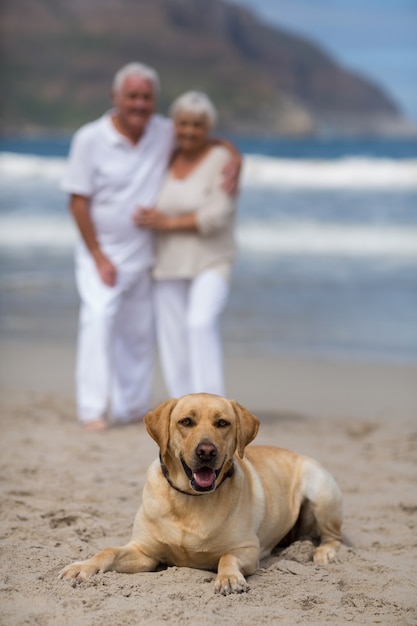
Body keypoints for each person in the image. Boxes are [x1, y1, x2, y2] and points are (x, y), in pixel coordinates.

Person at [62, 64, 240, 431]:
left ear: (154, 102)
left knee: (139, 334)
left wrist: (233, 152)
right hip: (103, 253)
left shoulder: (162, 131)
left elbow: (203, 138)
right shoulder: (90, 139)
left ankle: (130, 407)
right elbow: (77, 201)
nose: (139, 104)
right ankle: (92, 409)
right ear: (115, 98)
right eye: (132, 96)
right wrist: (97, 255)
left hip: (146, 254)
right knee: (99, 319)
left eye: (146, 97)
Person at [135, 91, 237, 398]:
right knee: (173, 339)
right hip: (167, 262)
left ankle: (214, 403)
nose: (189, 131)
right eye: (183, 124)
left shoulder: (223, 160)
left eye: (197, 124)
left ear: (209, 128)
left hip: (212, 259)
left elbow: (217, 215)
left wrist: (167, 223)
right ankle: (184, 405)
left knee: (199, 323)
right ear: (173, 125)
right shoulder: (164, 156)